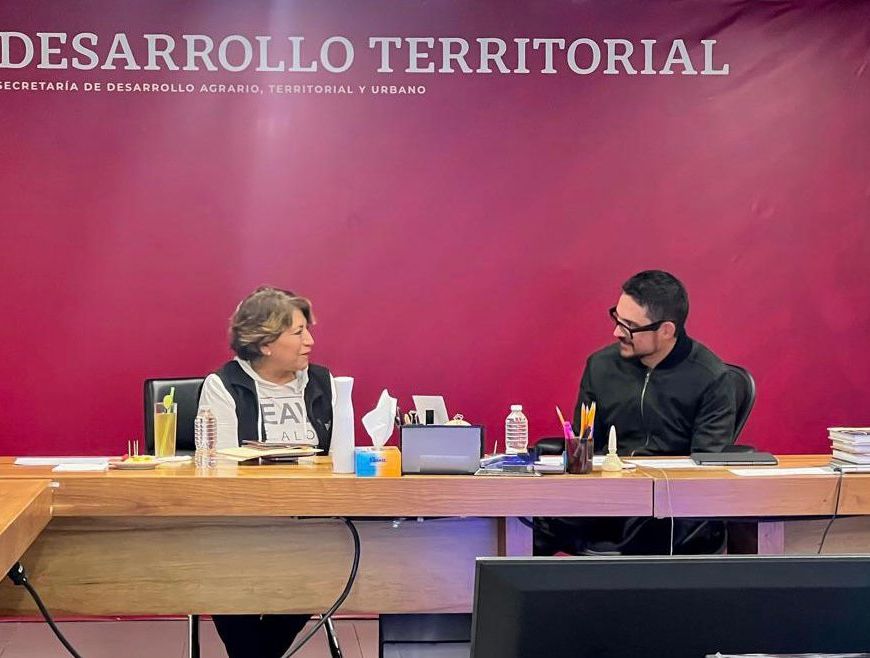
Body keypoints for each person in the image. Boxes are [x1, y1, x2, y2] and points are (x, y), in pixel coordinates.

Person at [536, 270, 736, 555]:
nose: (617, 332)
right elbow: (585, 443)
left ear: (666, 330)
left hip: (667, 505)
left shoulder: (711, 378)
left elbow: (705, 470)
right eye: (617, 319)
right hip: (605, 496)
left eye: (629, 326)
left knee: (648, 527)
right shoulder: (600, 366)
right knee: (533, 518)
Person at [198, 286, 334, 658]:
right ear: (265, 343)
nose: (310, 341)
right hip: (241, 525)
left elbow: (338, 458)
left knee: (323, 565)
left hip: (310, 525)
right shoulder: (224, 385)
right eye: (299, 332)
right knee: (225, 569)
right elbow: (223, 467)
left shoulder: (324, 383)